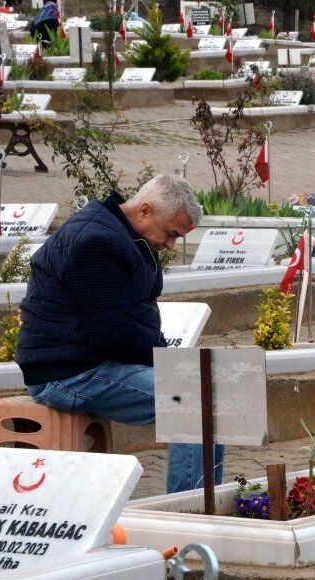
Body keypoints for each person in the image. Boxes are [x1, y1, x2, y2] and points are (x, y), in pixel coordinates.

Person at [16, 174, 224, 494]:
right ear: (144, 211)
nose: (171, 245)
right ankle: (190, 513)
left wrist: (171, 360)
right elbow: (112, 333)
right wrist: (167, 358)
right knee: (195, 402)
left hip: (88, 360)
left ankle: (207, 502)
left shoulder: (125, 234)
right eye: (171, 234)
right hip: (66, 372)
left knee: (211, 390)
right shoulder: (97, 241)